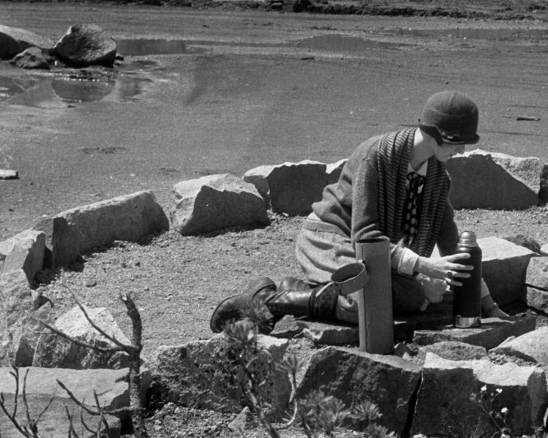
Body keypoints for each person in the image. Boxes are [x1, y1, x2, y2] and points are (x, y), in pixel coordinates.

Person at [210, 89, 504, 332]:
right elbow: (364, 235)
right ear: (435, 134)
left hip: (372, 252)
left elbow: (452, 245)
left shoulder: (437, 179)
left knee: (411, 295)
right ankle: (268, 300)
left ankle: (298, 288)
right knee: (370, 305)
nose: (462, 151)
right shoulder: (377, 156)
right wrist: (423, 267)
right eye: (458, 142)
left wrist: (488, 304)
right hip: (331, 238)